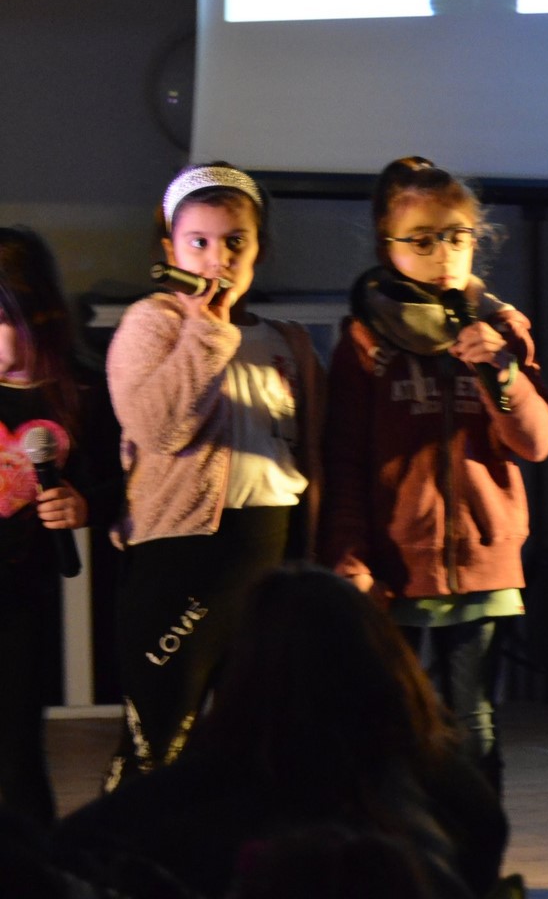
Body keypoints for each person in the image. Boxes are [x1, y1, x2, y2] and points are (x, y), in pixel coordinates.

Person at [50, 563, 509, 899]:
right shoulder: (430, 777)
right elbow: (486, 841)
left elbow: (71, 845)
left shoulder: (203, 785)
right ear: (382, 661)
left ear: (247, 665)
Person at [319, 156, 548, 795]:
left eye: (456, 236)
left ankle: (475, 850)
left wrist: (501, 374)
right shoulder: (366, 342)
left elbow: (536, 443)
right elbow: (344, 461)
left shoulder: (501, 329)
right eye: (421, 240)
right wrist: (349, 556)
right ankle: (409, 849)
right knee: (397, 728)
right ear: (387, 247)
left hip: (483, 565)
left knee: (473, 728)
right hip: (396, 573)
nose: (443, 254)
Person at [102, 162, 325, 791]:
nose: (217, 258)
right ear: (170, 248)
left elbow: (312, 456)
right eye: (198, 241)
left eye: (235, 241)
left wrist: (320, 553)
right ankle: (125, 849)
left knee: (260, 741)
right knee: (159, 738)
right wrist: (205, 329)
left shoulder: (288, 341)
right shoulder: (155, 322)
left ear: (259, 249)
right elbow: (157, 429)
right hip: (182, 555)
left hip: (271, 550)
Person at [0, 226, 121, 827]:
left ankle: (35, 862)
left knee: (16, 751)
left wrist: (84, 506)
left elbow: (127, 483)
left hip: (23, 598)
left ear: (37, 314)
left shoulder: (85, 391)